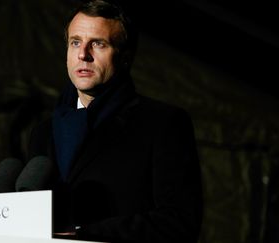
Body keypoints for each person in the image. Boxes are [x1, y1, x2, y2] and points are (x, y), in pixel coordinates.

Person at [27, 0, 203, 242]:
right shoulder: (43, 133)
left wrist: (81, 236)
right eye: (75, 42)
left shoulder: (163, 123)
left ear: (126, 56)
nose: (83, 54)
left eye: (98, 44)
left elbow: (178, 221)